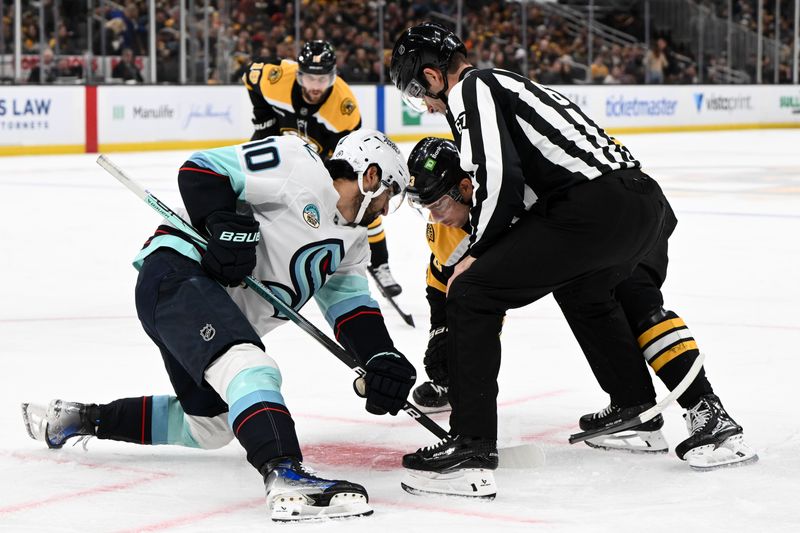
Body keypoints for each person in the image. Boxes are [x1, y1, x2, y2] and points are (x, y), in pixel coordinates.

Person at [390, 23, 756, 498]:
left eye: (422, 95)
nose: (429, 107)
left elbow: (497, 176)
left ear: (433, 76)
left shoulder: (473, 88)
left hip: (594, 207)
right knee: (596, 291)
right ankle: (651, 412)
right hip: (641, 202)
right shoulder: (513, 87)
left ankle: (471, 450)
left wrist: (476, 252)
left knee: (473, 291)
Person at [22, 129, 417, 522]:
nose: (385, 208)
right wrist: (222, 227)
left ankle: (79, 418)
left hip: (201, 305)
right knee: (248, 367)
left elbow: (353, 311)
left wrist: (382, 358)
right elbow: (202, 169)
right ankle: (285, 475)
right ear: (371, 176)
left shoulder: (352, 245)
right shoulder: (298, 162)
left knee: (210, 426)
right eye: (389, 194)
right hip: (177, 273)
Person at [243, 40, 403, 297]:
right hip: (282, 144)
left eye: (323, 80)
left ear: (333, 76)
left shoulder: (344, 107)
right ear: (298, 73)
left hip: (325, 154)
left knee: (363, 200)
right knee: (248, 180)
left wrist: (329, 177)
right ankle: (246, 244)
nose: (315, 87)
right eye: (309, 78)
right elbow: (250, 75)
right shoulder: (276, 77)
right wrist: (264, 119)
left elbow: (350, 152)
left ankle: (380, 262)